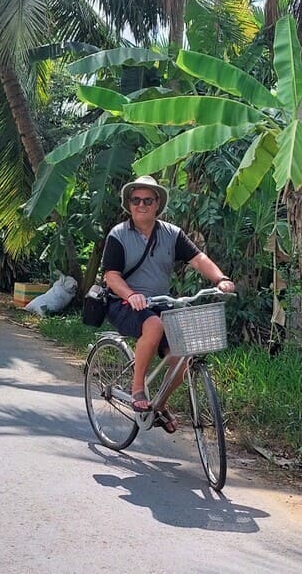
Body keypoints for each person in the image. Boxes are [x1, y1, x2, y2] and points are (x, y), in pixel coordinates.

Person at [102, 175, 235, 432]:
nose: (141, 205)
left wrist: (221, 279)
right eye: (136, 200)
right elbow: (111, 276)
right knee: (152, 325)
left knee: (181, 358)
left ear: (157, 203)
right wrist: (130, 295)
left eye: (147, 200)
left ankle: (160, 404)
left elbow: (198, 259)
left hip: (160, 303)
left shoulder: (172, 234)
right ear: (129, 204)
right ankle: (138, 388)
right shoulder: (118, 235)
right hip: (124, 303)